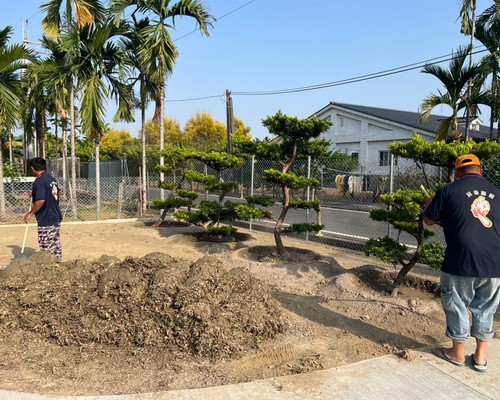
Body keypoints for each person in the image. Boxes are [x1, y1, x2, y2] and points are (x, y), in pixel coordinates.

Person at [423, 153, 500, 372]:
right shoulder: (498, 193)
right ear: (481, 170)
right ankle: (480, 357)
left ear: (457, 173)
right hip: (494, 262)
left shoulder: (448, 191)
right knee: (486, 307)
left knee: (456, 303)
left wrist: (429, 204)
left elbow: (429, 220)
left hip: (460, 260)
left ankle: (457, 352)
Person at [23, 157, 63, 262]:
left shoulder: (39, 181)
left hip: (46, 218)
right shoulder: (52, 179)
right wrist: (34, 193)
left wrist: (30, 213)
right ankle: (58, 263)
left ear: (32, 168)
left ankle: (48, 268)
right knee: (55, 244)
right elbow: (58, 194)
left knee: (46, 245)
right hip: (55, 216)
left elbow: (41, 200)